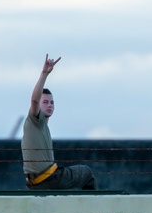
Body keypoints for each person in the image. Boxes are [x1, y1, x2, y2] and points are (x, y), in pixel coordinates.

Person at [21, 55, 96, 190]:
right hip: (50, 178)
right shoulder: (35, 120)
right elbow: (34, 100)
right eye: (45, 102)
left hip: (35, 184)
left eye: (52, 102)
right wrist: (44, 73)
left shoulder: (42, 126)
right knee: (86, 172)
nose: (49, 105)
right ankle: (96, 209)